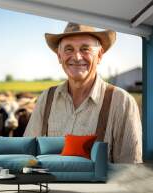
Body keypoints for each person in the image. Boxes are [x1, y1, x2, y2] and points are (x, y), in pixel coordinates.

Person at [23, 23, 142, 163]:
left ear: (99, 55)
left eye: (85, 49)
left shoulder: (122, 102)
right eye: (69, 49)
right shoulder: (46, 98)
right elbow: (28, 153)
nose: (77, 57)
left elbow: (129, 168)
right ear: (59, 57)